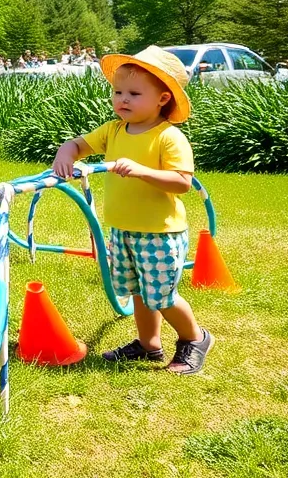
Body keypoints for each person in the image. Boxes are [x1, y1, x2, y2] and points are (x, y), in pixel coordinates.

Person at [52, 46, 212, 374]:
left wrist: (141, 170)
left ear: (163, 99)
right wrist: (66, 152)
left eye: (134, 93)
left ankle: (194, 338)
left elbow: (182, 182)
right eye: (118, 92)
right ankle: (149, 345)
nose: (122, 99)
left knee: (162, 296)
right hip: (123, 229)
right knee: (139, 292)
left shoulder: (168, 137)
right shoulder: (113, 130)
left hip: (159, 232)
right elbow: (79, 144)